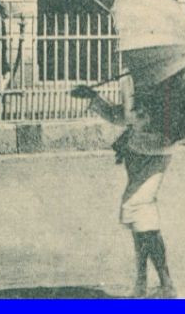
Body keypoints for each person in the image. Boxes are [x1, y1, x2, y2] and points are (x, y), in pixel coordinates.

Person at [72, 82, 178, 298]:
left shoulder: (160, 77)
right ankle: (144, 282)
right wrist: (94, 98)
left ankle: (164, 284)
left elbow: (154, 115)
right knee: (140, 218)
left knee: (136, 207)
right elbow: (121, 116)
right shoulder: (134, 75)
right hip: (136, 150)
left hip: (156, 148)